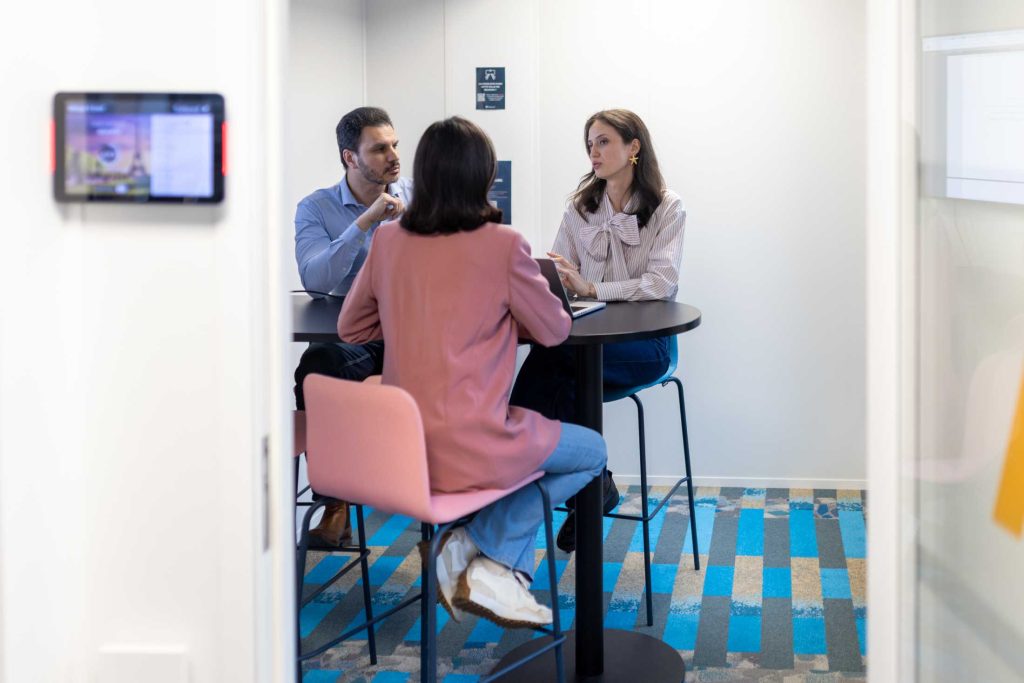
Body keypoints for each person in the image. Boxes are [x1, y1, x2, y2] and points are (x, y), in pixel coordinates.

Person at [337, 116, 607, 627]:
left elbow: (352, 327)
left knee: (555, 441)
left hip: (404, 452)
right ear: (483, 177)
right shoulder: (503, 244)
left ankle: (482, 560)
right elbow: (553, 332)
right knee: (593, 453)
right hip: (474, 447)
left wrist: (410, 316)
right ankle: (486, 550)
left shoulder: (389, 240)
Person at [510, 108, 686, 553]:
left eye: (604, 141)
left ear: (633, 147)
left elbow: (660, 283)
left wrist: (593, 286)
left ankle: (542, 475)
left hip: (645, 346)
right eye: (590, 143)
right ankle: (592, 488)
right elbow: (558, 271)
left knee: (553, 367)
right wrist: (558, 276)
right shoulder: (579, 207)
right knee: (559, 371)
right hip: (582, 343)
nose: (594, 151)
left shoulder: (668, 207)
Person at [293, 106, 413, 546]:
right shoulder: (316, 208)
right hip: (350, 337)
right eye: (379, 149)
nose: (393, 156)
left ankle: (374, 483)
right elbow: (315, 278)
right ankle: (336, 503)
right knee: (318, 369)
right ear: (350, 157)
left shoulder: (419, 197)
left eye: (395, 145)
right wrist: (365, 223)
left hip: (409, 336)